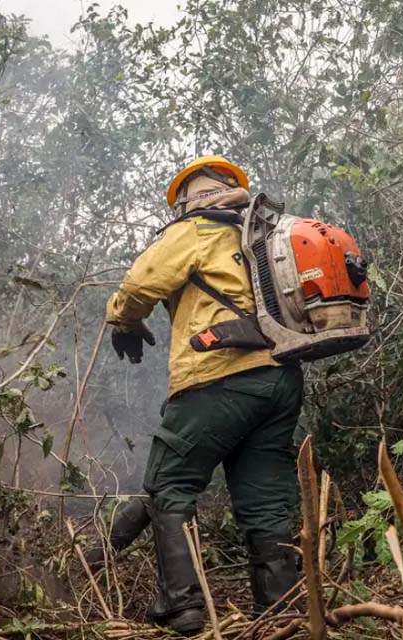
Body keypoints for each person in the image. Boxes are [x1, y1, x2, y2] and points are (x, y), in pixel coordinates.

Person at [105, 156, 304, 635]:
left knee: (171, 484)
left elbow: (139, 284)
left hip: (219, 372)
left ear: (188, 200)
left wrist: (124, 321)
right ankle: (281, 611)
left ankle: (183, 605)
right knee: (266, 502)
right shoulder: (262, 234)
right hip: (280, 379)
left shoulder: (195, 230)